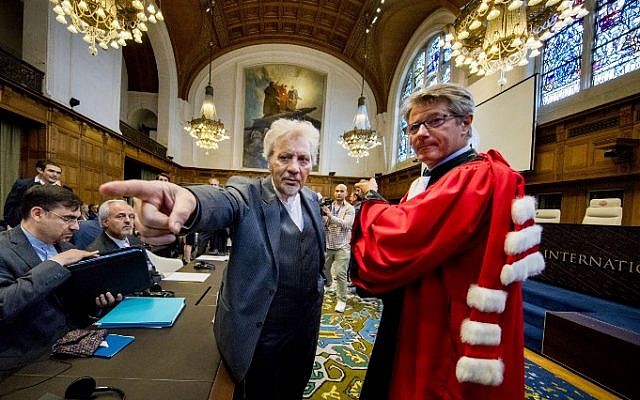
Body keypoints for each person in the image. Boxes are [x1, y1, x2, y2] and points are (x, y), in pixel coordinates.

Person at [99, 118, 325, 400]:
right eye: (285, 157)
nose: (294, 167)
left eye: (303, 159)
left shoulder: (312, 200)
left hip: (304, 327)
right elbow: (219, 201)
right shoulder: (246, 194)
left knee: (294, 386)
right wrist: (188, 203)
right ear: (269, 161)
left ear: (312, 164)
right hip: (260, 330)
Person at [350, 83, 545, 399]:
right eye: (414, 127)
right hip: (425, 306)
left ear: (466, 123)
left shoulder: (475, 176)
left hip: (445, 320)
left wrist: (372, 201)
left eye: (435, 121)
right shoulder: (438, 176)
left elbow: (405, 233)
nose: (421, 134)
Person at [0, 185, 120, 375]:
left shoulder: (65, 247)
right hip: (25, 360)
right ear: (38, 213)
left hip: (75, 344)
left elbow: (67, 302)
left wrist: (99, 302)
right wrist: (56, 263)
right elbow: (4, 306)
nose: (76, 226)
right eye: (68, 218)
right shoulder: (4, 249)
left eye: (77, 219)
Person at [3, 160, 69, 228]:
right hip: (22, 226)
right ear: (40, 170)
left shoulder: (65, 190)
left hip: (50, 227)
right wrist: (8, 225)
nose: (55, 175)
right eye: (51, 171)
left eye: (58, 173)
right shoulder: (22, 184)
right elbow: (10, 206)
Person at [322, 183, 355, 313]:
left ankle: (341, 300)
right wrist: (324, 216)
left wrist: (330, 216)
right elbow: (323, 224)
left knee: (341, 274)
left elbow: (347, 224)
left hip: (343, 245)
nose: (339, 193)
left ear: (346, 193)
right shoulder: (328, 206)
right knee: (324, 270)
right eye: (337, 191)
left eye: (342, 191)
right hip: (328, 244)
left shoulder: (349, 208)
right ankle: (329, 284)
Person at [195, 178, 230, 257]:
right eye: (211, 185)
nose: (213, 186)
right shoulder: (203, 195)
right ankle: (198, 260)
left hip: (220, 225)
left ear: (218, 185)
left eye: (215, 185)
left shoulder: (224, 194)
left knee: (221, 251)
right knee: (201, 246)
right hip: (207, 224)